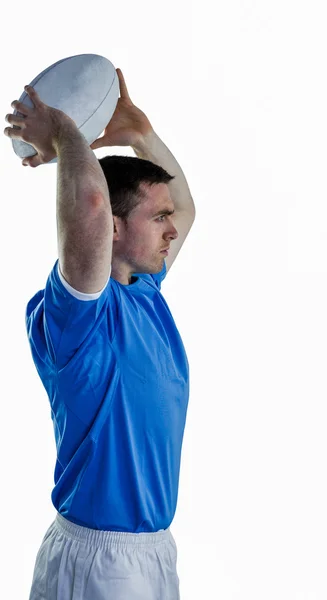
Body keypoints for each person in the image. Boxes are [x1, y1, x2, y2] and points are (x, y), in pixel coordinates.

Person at [4, 68, 195, 600]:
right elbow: (88, 207)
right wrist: (65, 133)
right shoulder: (76, 315)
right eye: (156, 218)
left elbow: (187, 208)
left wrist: (139, 136)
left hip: (153, 551)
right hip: (100, 562)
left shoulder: (143, 293)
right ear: (112, 227)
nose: (172, 227)